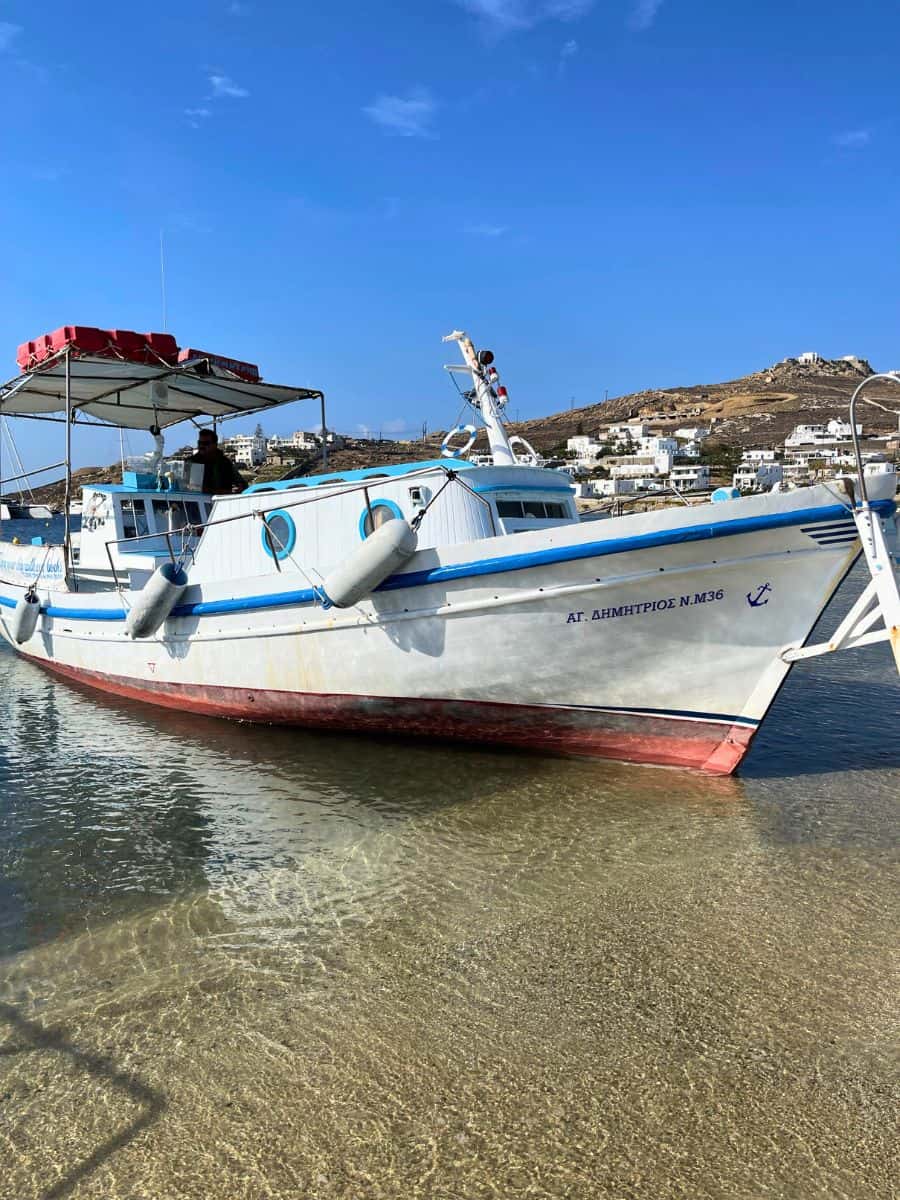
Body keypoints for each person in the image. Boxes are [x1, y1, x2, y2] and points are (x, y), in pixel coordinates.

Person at [189, 429, 248, 494]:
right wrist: (223, 491)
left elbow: (242, 484)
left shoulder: (225, 463)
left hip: (223, 499)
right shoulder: (191, 462)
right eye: (199, 443)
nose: (201, 446)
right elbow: (190, 488)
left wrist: (239, 487)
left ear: (215, 445)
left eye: (206, 443)